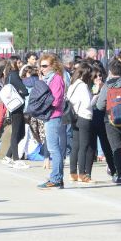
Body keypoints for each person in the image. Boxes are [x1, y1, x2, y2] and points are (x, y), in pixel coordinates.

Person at [38, 54, 67, 189]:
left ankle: (55, 178)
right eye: (41, 66)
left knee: (54, 149)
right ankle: (57, 177)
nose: (42, 68)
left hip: (53, 115)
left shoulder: (56, 79)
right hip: (49, 115)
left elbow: (56, 100)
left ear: (52, 66)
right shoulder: (47, 79)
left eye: (44, 66)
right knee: (55, 148)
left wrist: (42, 103)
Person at [67, 62, 95, 182]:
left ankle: (73, 173)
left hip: (74, 117)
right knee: (84, 146)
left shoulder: (73, 84)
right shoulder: (83, 86)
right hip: (84, 116)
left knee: (75, 146)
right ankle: (82, 174)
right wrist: (96, 96)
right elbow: (87, 104)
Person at [2, 59, 30, 168]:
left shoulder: (8, 75)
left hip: (12, 106)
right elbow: (24, 90)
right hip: (17, 107)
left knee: (21, 133)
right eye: (18, 62)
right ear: (14, 64)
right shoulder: (14, 75)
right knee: (16, 133)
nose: (20, 64)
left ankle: (8, 156)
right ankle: (16, 160)